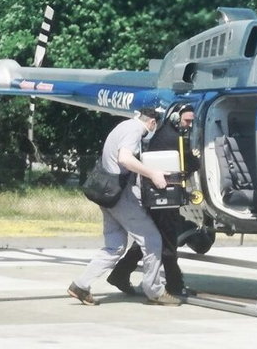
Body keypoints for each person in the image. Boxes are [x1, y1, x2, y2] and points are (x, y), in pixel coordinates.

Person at [67, 108, 182, 306]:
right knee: (153, 240)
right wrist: (153, 173)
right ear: (152, 123)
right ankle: (155, 291)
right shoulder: (135, 130)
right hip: (120, 197)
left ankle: (80, 285)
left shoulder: (123, 126)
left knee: (115, 246)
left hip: (108, 195)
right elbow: (125, 159)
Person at [106, 105, 196, 298]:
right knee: (168, 241)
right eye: (187, 121)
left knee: (151, 239)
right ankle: (173, 286)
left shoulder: (165, 134)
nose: (189, 125)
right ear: (174, 118)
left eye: (192, 122)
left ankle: (120, 274)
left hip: (158, 197)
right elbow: (188, 163)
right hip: (163, 198)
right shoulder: (172, 139)